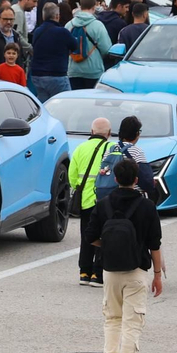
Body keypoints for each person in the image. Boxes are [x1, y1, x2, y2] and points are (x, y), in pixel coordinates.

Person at [91, 156, 163, 353]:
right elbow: (155, 244)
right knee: (132, 323)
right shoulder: (147, 206)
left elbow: (90, 237)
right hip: (136, 271)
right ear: (136, 179)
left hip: (110, 270)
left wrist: (109, 246)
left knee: (112, 318)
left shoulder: (104, 205)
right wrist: (158, 274)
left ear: (115, 178)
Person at [69, 117, 116, 286]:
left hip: (85, 201)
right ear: (109, 133)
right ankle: (98, 274)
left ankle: (84, 272)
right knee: (104, 236)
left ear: (91, 132)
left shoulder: (80, 148)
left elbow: (72, 176)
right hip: (104, 200)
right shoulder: (111, 148)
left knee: (87, 235)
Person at [28, 2, 78, 102]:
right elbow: (75, 46)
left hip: (37, 75)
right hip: (56, 75)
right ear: (57, 16)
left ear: (43, 16)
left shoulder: (38, 31)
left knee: (44, 104)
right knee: (66, 103)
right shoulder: (62, 32)